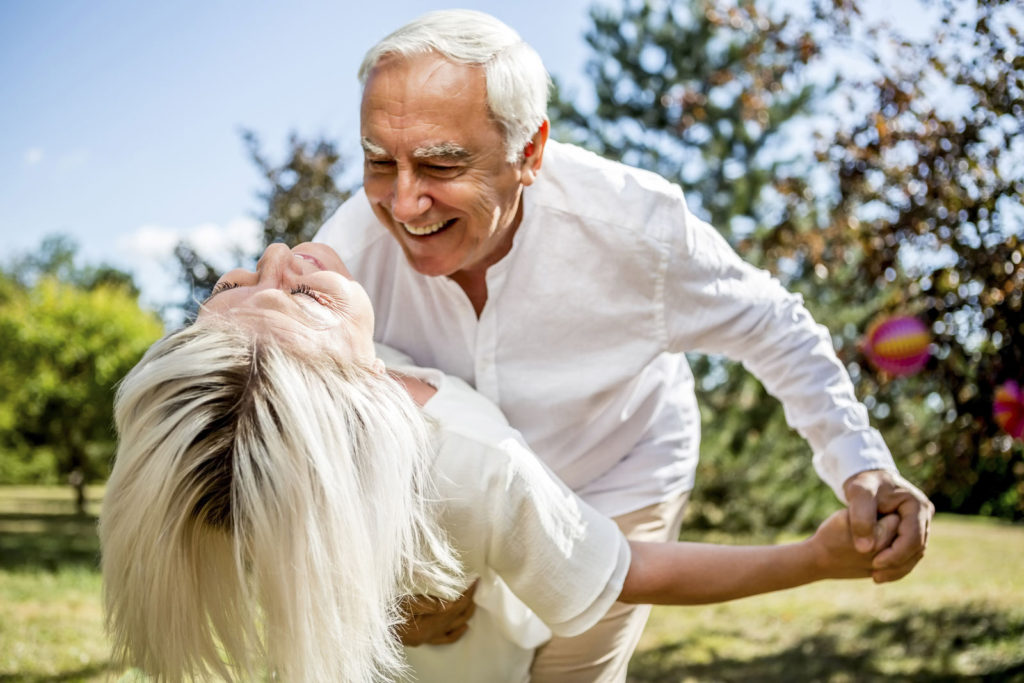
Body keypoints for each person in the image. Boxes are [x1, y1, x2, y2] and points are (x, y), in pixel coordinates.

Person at [313, 9, 934, 681]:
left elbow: (773, 325)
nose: (404, 204)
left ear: (531, 152)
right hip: (454, 495)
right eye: (380, 162)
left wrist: (860, 463)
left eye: (440, 163)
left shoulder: (639, 230)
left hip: (618, 472)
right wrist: (375, 582)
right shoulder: (346, 254)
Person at [100, 242, 898, 683]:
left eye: (235, 280)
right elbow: (630, 571)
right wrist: (813, 559)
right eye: (292, 295)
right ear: (337, 397)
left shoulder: (298, 410)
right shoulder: (472, 469)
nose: (276, 252)